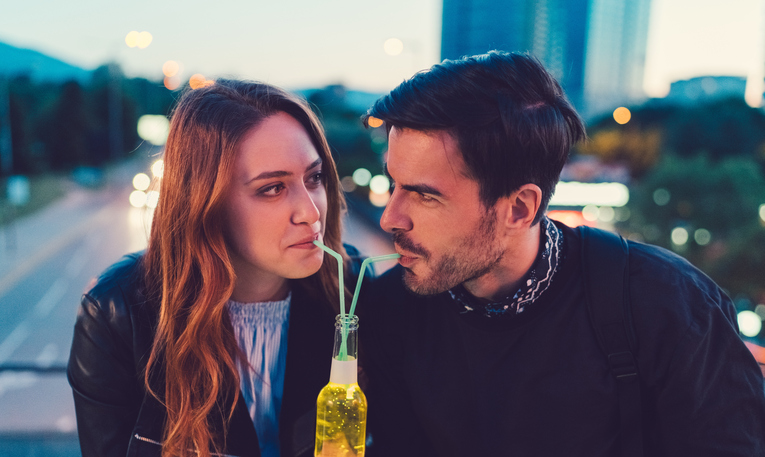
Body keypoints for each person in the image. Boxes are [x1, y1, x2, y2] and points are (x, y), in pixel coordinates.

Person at [359, 51, 765, 456]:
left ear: (519, 209)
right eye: (392, 183)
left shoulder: (668, 306)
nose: (390, 218)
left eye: (424, 196)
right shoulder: (392, 308)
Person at [67, 80, 361, 457]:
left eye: (314, 178)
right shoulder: (117, 314)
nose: (311, 211)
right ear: (207, 203)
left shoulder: (353, 293)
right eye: (272, 188)